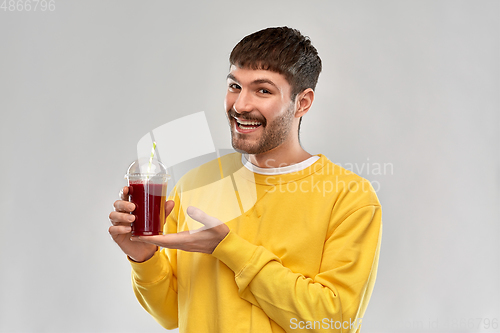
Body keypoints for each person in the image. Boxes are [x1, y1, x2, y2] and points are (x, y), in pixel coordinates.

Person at [109, 26, 382, 333]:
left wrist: (229, 249)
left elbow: (336, 322)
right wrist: (144, 258)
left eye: (263, 90)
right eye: (235, 86)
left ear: (302, 103)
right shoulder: (195, 184)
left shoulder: (349, 197)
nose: (240, 106)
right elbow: (172, 313)